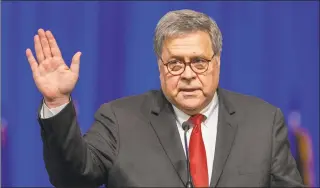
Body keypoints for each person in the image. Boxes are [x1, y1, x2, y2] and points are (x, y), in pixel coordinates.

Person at [26, 9, 304, 187]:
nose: (187, 74)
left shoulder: (263, 122)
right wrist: (57, 102)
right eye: (175, 64)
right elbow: (73, 178)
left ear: (217, 62)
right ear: (160, 67)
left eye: (199, 62)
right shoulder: (119, 120)